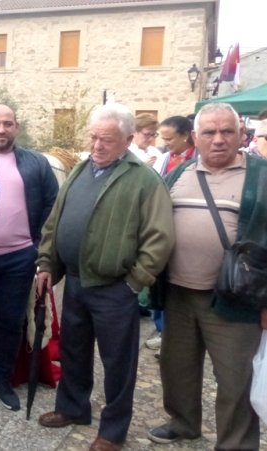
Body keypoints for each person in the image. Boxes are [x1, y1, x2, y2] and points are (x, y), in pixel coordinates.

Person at [35, 103, 175, 451]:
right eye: (94, 137)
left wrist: (135, 281)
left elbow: (160, 237)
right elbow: (55, 221)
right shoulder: (82, 170)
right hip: (78, 282)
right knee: (74, 351)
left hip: (115, 288)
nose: (97, 145)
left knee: (118, 364)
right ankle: (72, 408)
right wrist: (47, 263)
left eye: (107, 140)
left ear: (128, 140)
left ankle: (113, 431)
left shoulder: (143, 179)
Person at [147, 103, 267, 450]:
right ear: (195, 138)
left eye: (227, 131)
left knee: (235, 379)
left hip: (237, 297)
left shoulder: (261, 176)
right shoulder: (178, 173)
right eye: (209, 133)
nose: (218, 140)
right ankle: (183, 423)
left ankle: (236, 443)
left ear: (241, 135)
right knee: (177, 367)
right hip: (179, 292)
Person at [0, 105, 58, 411]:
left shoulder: (36, 163)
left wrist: (39, 248)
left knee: (11, 320)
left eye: (7, 123)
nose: (1, 129)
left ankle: (2, 379)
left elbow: (52, 207)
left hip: (19, 256)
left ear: (16, 127)